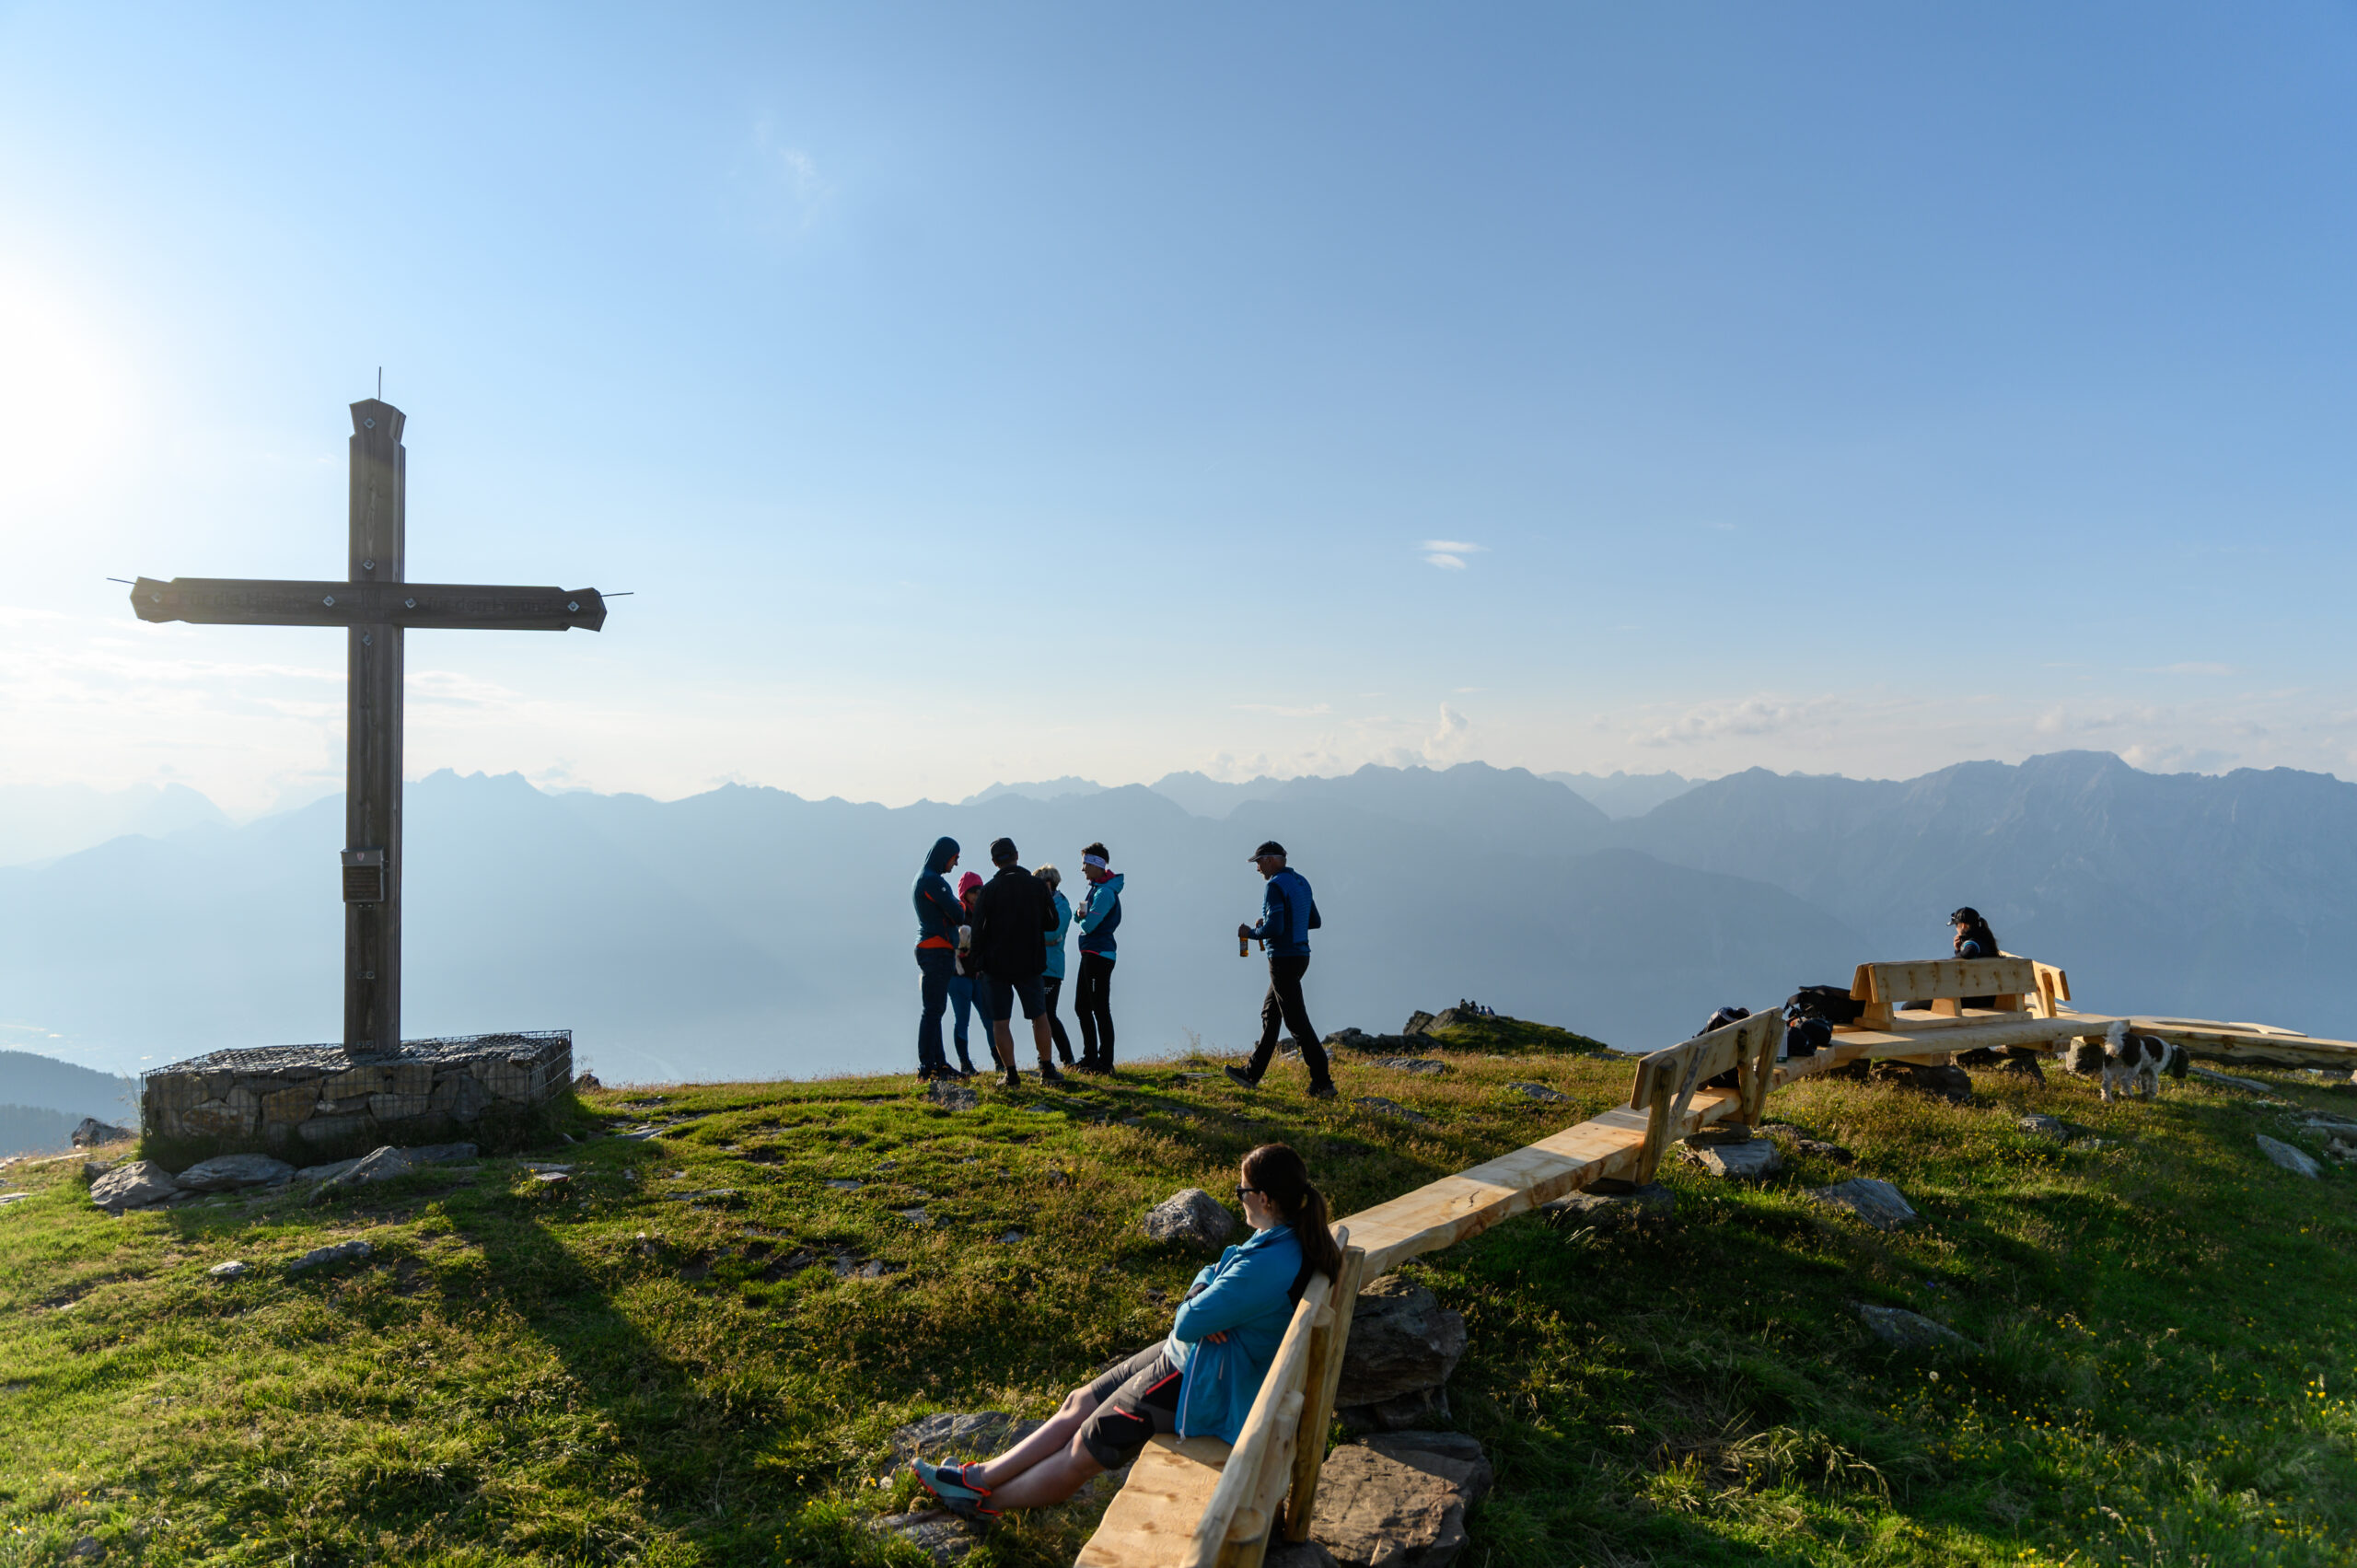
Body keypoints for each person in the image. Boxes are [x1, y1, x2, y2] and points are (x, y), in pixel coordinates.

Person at [911, 1143, 1343, 1519]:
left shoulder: (1268, 1264)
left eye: (1242, 1191)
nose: (1239, 1198)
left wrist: (1200, 1303)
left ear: (1265, 1199)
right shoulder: (1281, 1238)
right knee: (1079, 1401)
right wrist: (1204, 1290)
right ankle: (977, 1478)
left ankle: (983, 1503)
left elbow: (1190, 1320)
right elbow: (1217, 1268)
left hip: (1200, 1378)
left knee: (1085, 1449)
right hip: (1191, 1356)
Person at [1225, 841, 1337, 1099]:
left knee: (1296, 1021)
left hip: (1283, 959)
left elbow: (1274, 930)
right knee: (1271, 1014)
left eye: (1259, 862)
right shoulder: (1302, 882)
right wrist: (1283, 920)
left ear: (1272, 860)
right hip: (1300, 956)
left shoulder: (1273, 886)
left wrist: (1250, 933)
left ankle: (1323, 1082)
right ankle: (1251, 1074)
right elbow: (1314, 921)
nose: (1258, 869)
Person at [972, 837, 1065, 1086]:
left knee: (1000, 1021)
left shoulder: (988, 891)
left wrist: (977, 964)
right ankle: (1047, 1069)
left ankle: (1011, 1074)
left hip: (996, 965)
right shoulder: (1036, 886)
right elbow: (1052, 922)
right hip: (1030, 961)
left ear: (994, 862)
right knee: (1039, 1016)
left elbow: (977, 931)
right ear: (1016, 854)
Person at [911, 837, 964, 1081]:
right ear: (945, 856)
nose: (956, 864)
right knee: (933, 1009)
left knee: (935, 1008)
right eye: (955, 858)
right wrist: (958, 906)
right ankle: (927, 1065)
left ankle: (938, 1063)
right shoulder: (933, 881)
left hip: (931, 948)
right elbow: (957, 913)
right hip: (937, 949)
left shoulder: (925, 878)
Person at [1073, 843, 1123, 1073]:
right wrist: (1080, 916)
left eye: (1085, 864)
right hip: (1092, 954)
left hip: (1099, 955)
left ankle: (1105, 1062)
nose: (1082, 869)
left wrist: (1080, 918)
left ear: (1096, 865)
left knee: (1099, 1008)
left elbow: (1090, 924)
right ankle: (1090, 1057)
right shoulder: (1097, 888)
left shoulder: (1104, 893)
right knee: (1082, 1007)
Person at [946, 871, 986, 1075]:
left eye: (980, 891)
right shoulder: (958, 913)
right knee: (963, 1019)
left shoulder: (983, 914)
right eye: (973, 891)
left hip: (977, 974)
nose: (977, 895)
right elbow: (950, 939)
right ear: (964, 893)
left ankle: (1001, 1062)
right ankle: (965, 1064)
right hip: (958, 975)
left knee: (989, 1018)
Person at [1039, 865, 1076, 1067]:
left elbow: (1054, 934)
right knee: (1039, 1015)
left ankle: (1066, 1058)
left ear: (1051, 883)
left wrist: (1034, 936)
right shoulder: (1038, 903)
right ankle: (1044, 1057)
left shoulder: (1061, 905)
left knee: (1047, 1014)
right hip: (1036, 966)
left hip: (1051, 967)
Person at [1951, 906, 2003, 1009]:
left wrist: (1954, 958)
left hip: (1973, 999)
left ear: (1963, 926)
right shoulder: (1985, 940)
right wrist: (1958, 950)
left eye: (1956, 925)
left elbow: (1971, 951)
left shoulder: (1973, 942)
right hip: (1988, 997)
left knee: (1911, 1005)